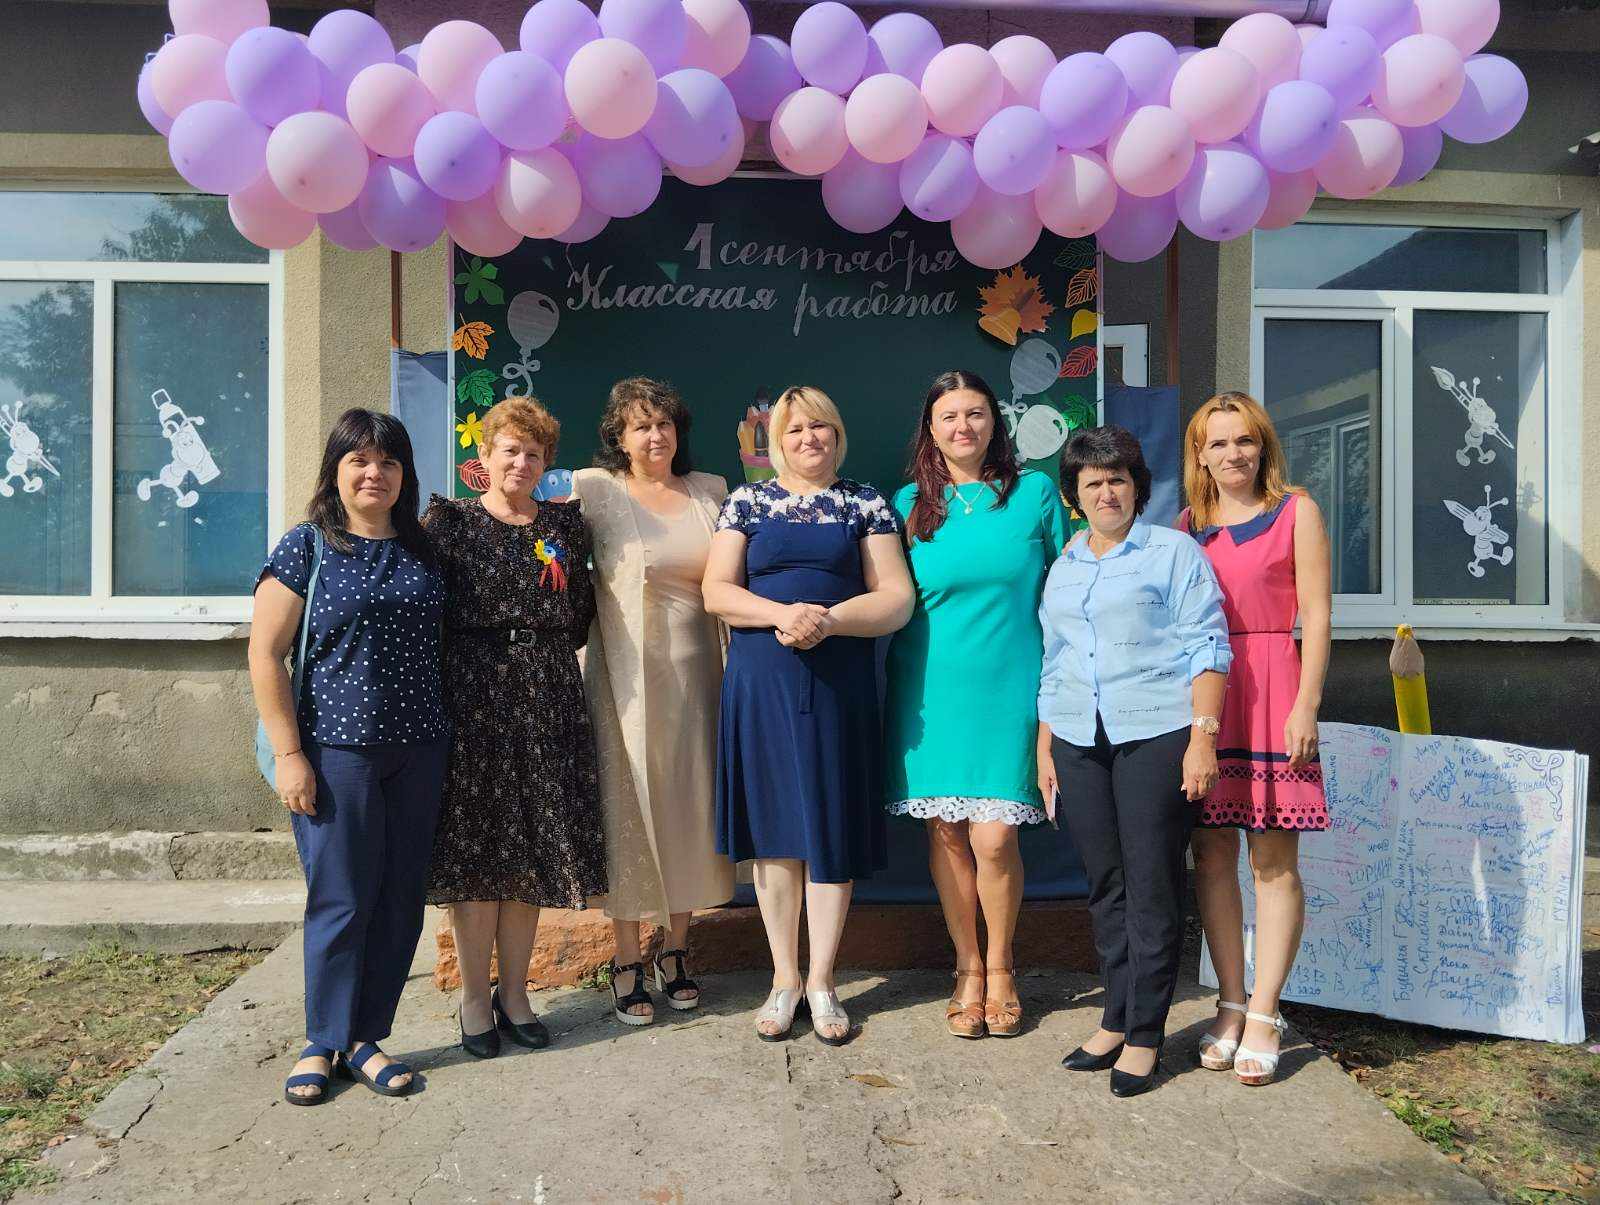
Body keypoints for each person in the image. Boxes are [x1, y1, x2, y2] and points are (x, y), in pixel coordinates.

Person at [703, 386, 913, 1045]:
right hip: (760, 683)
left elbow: (897, 598)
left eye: (820, 427)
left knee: (828, 826)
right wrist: (783, 615)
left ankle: (822, 981)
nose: (809, 439)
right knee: (774, 832)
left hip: (838, 684)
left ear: (837, 435)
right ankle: (784, 979)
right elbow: (716, 591)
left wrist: (829, 620)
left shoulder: (865, 502)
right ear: (775, 442)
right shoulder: (746, 502)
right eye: (795, 430)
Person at [250, 408, 448, 1105]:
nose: (374, 473)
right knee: (341, 897)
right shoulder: (306, 546)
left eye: (388, 462)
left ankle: (365, 1037)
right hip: (336, 753)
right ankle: (321, 1040)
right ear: (335, 470)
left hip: (420, 749)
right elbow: (265, 653)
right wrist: (289, 753)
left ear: (404, 474)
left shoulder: (425, 551)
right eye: (359, 460)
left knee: (399, 898)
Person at [1037, 426, 1231, 1098]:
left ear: (1137, 486)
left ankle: (1146, 1032)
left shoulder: (1173, 553)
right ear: (1074, 495)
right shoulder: (1066, 565)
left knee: (1151, 885)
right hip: (1077, 739)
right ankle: (1114, 1017)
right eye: (1092, 482)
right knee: (1106, 884)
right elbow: (1056, 659)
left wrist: (1203, 738)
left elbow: (1209, 646)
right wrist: (1046, 745)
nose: (1106, 492)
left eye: (1117, 479)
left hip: (1156, 732)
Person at [883, 371, 1070, 1039]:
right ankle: (967, 968)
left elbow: (1068, 589)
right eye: (949, 416)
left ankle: (1001, 966)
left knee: (994, 837)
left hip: (1013, 689)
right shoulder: (908, 502)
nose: (963, 426)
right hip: (929, 692)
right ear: (930, 430)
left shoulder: (1035, 492)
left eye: (975, 413)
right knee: (948, 832)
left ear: (996, 421)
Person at [423, 397, 605, 1060]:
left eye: (533, 453)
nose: (521, 462)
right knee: (477, 851)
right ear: (485, 455)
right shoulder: (450, 524)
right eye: (510, 450)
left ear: (545, 461)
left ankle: (517, 995)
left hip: (548, 694)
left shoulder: (565, 526)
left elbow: (580, 611)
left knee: (531, 848)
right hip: (472, 694)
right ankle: (475, 998)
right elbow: (427, 611)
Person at [573, 378, 735, 1026]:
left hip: (700, 678)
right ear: (618, 436)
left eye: (664, 424)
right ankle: (625, 959)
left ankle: (675, 949)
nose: (655, 436)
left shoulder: (711, 491)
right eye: (640, 425)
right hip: (623, 680)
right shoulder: (594, 490)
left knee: (688, 808)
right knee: (627, 810)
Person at [1181, 392, 1332, 1087]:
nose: (1232, 453)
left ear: (1262, 445)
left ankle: (1267, 1011)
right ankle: (1231, 1002)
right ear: (1200, 453)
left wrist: (1306, 703)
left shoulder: (1296, 511)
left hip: (1274, 688)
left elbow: (1318, 614)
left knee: (1272, 860)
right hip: (1210, 698)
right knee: (1211, 854)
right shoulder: (1187, 526)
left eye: (1244, 439)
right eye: (1218, 442)